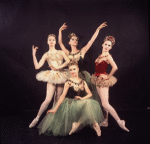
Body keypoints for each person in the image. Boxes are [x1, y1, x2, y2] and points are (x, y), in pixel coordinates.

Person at [37, 62, 104, 136]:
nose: (72, 71)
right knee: (88, 104)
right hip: (69, 103)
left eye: (74, 69)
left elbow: (90, 94)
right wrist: (55, 108)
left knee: (90, 103)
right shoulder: (68, 82)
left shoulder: (83, 81)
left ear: (78, 69)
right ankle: (94, 124)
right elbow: (62, 96)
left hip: (79, 102)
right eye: (71, 70)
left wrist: (82, 98)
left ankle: (81, 124)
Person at [58, 22, 107, 102]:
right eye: (73, 39)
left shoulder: (82, 52)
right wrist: (60, 31)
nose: (75, 41)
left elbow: (91, 41)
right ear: (69, 42)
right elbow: (60, 43)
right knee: (68, 97)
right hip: (70, 75)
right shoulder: (67, 52)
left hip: (82, 76)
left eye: (76, 39)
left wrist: (98, 29)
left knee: (84, 97)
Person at [29, 34, 70, 128]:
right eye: (49, 40)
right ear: (47, 42)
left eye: (53, 40)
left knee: (58, 99)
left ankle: (53, 121)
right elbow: (37, 67)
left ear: (55, 42)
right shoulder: (46, 54)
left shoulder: (61, 52)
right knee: (48, 99)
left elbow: (68, 61)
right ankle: (37, 118)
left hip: (61, 75)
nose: (51, 41)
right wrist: (34, 55)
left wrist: (58, 67)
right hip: (52, 76)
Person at [91, 36, 129, 132]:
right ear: (102, 44)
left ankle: (120, 121)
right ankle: (105, 121)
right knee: (103, 103)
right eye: (106, 44)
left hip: (103, 80)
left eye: (109, 45)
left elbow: (115, 67)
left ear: (111, 47)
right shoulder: (100, 55)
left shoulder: (108, 56)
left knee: (105, 103)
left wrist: (107, 77)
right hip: (97, 79)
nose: (107, 46)